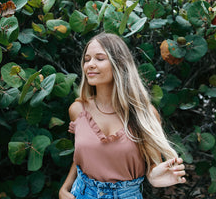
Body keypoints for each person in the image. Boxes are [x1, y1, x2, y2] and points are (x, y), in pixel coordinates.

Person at [59, 32, 186, 199]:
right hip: (81, 193)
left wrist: (154, 177)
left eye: (99, 58)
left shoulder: (145, 115)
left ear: (119, 64)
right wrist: (64, 189)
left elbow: (152, 166)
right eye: (87, 59)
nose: (90, 64)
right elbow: (85, 155)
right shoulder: (77, 110)